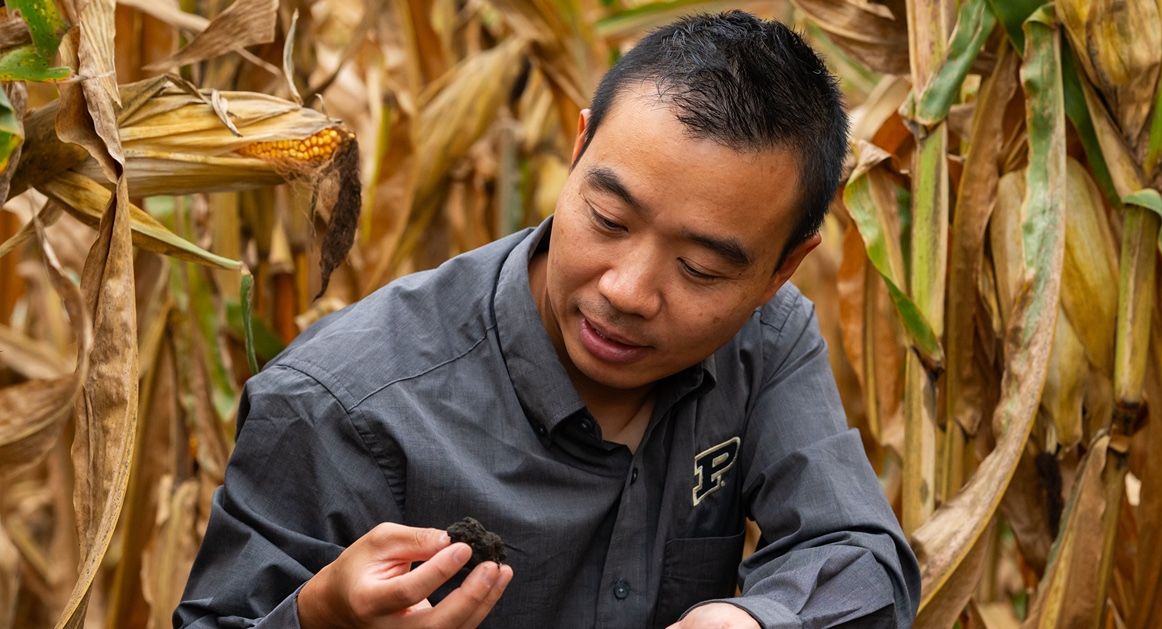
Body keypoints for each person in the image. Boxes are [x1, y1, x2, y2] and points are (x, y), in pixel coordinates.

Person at [176, 10, 920, 629]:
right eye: (608, 219)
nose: (627, 291)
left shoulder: (767, 338)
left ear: (781, 269)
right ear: (578, 146)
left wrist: (751, 621)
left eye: (700, 269)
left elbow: (862, 557)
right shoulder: (342, 402)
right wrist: (319, 617)